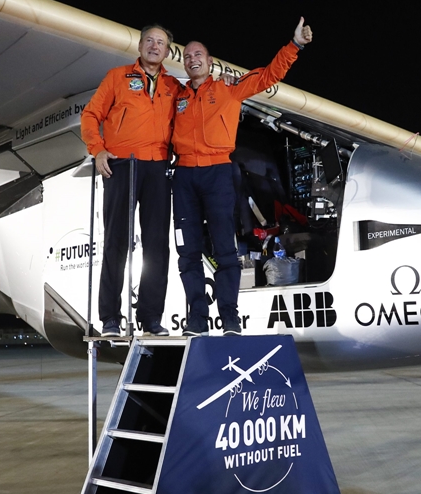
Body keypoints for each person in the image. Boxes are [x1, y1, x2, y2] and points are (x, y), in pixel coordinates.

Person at [172, 18, 313, 336]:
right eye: (188, 56)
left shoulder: (229, 90)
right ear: (185, 64)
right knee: (188, 252)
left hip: (218, 173)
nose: (193, 59)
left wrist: (294, 46)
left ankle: (229, 317)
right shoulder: (175, 97)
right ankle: (196, 318)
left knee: (225, 249)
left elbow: (268, 75)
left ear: (210, 62)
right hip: (183, 176)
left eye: (199, 55)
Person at [81, 24, 183, 337]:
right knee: (116, 241)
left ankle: (151, 318)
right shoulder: (117, 76)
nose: (155, 46)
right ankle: (110, 318)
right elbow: (90, 115)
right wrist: (97, 151)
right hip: (121, 165)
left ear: (167, 51)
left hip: (157, 169)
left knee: (156, 246)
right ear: (139, 45)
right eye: (149, 40)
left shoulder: (173, 86)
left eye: (161, 43)